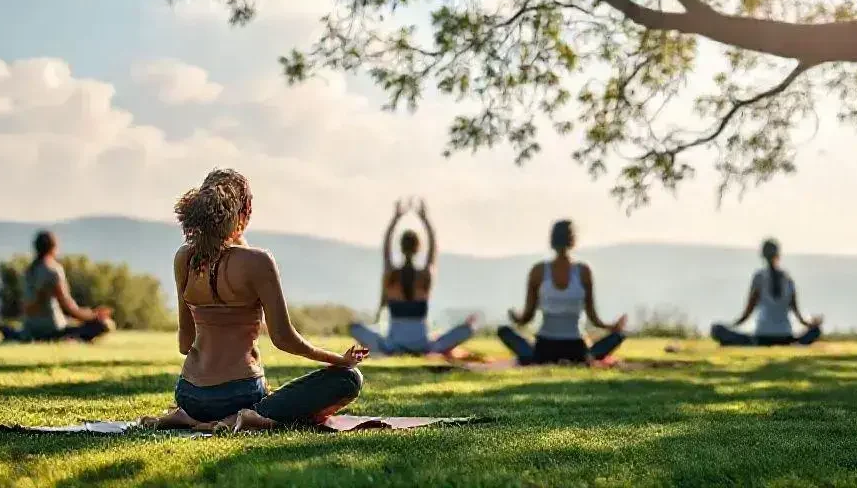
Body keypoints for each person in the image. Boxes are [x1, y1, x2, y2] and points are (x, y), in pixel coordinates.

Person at [149, 168, 368, 433]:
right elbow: (284, 339)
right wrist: (338, 360)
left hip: (189, 394)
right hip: (238, 395)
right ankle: (249, 416)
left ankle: (190, 417)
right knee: (348, 379)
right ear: (246, 211)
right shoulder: (258, 262)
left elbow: (185, 344)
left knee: (258, 391)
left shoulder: (185, 258)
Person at [348, 199, 476, 356]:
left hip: (392, 347)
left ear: (400, 247)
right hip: (423, 347)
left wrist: (395, 218)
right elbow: (433, 249)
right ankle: (431, 349)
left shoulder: (391, 276)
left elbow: (386, 248)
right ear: (418, 248)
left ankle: (389, 351)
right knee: (467, 329)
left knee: (354, 327)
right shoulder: (425, 276)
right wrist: (425, 219)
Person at [497, 220, 627, 365]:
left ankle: (534, 359)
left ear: (551, 240)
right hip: (576, 348)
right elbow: (593, 317)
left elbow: (527, 317)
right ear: (573, 241)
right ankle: (587, 358)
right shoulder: (583, 271)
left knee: (504, 332)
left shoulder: (538, 271)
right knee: (618, 336)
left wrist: (515, 317)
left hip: (544, 348)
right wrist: (611, 327)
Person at [0, 231, 114, 343]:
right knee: (106, 324)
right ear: (53, 248)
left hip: (29, 328)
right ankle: (69, 339)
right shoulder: (53, 270)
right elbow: (68, 306)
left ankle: (18, 336)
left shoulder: (29, 271)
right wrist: (93, 316)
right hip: (53, 329)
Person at [711, 239, 823, 346]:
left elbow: (747, 313)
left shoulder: (759, 278)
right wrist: (811, 324)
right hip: (786, 337)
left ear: (763, 255)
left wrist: (730, 326)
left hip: (762, 337)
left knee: (717, 329)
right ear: (779, 255)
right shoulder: (788, 279)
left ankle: (750, 344)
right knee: (816, 331)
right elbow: (798, 315)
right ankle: (796, 344)